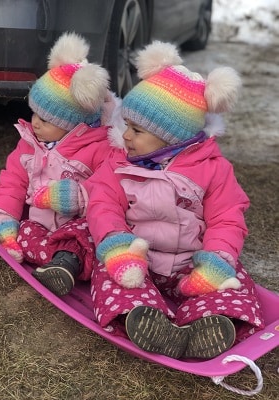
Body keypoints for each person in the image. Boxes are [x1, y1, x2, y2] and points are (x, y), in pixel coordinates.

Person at [80, 41, 265, 359]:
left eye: (136, 130)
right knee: (110, 277)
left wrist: (216, 261)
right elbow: (102, 204)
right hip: (139, 261)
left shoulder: (212, 170)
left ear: (172, 137)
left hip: (190, 265)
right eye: (126, 125)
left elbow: (227, 218)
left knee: (233, 283)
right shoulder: (119, 164)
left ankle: (212, 323)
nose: (125, 135)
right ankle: (146, 321)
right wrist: (118, 247)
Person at [0, 32, 123, 297]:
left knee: (83, 238)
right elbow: (13, 181)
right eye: (34, 113)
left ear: (72, 124)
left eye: (45, 120)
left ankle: (66, 264)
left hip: (77, 225)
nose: (35, 123)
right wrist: (5, 217)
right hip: (41, 224)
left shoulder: (98, 147)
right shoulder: (29, 144)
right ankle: (54, 264)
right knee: (26, 231)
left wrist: (78, 196)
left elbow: (110, 187)